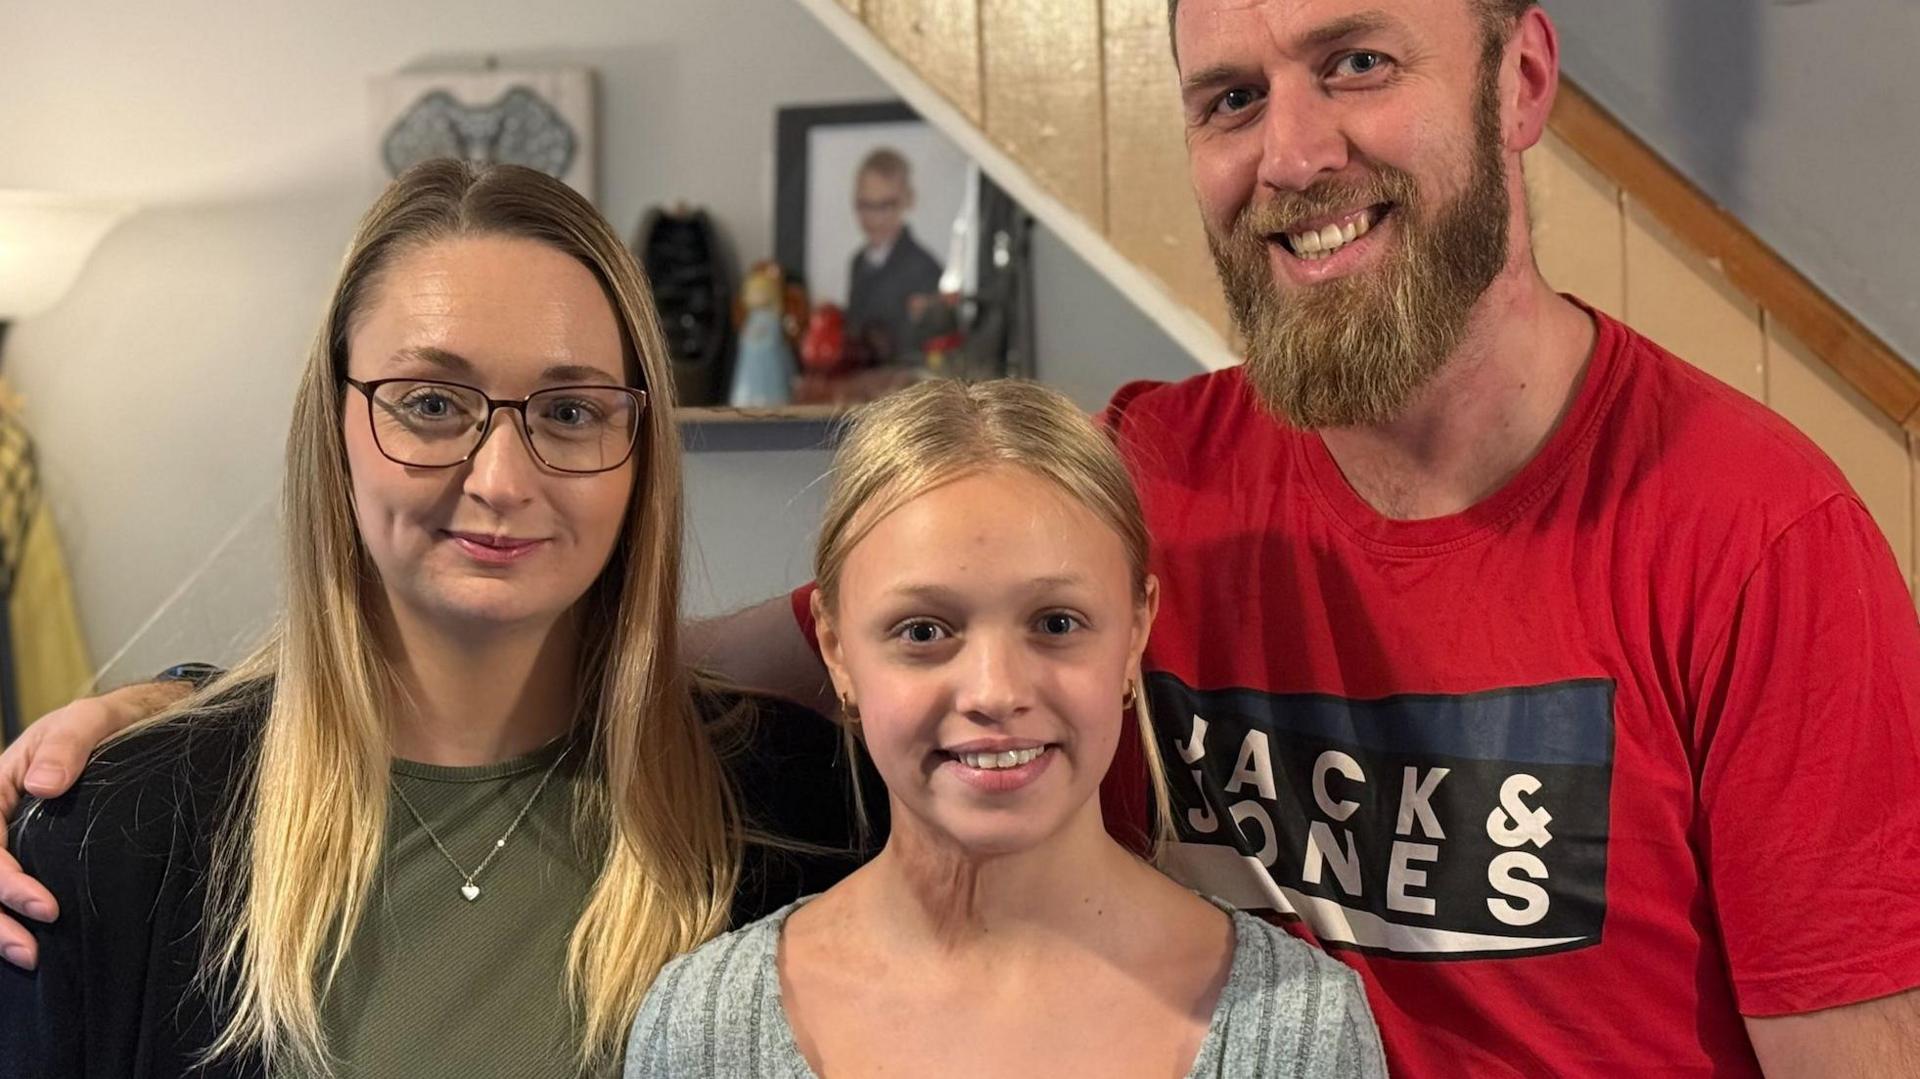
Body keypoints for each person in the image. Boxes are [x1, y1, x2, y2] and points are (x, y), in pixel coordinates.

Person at [11, 1, 1920, 1074]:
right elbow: (711, 630)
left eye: (1360, 60)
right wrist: (207, 711)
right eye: (1231, 97)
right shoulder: (1150, 465)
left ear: (1520, 78)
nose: (1294, 148)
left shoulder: (1756, 534)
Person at [0, 160, 873, 1078]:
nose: (500, 479)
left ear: (639, 451)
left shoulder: (802, 811)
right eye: (429, 404)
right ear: (331, 427)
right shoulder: (116, 830)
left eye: (571, 410)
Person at [626, 378, 1385, 1078]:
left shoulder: (1302, 1031)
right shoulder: (706, 1026)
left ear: (1133, 634)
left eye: (1056, 622)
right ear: (835, 647)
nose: (994, 691)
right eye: (924, 631)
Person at [843, 147, 944, 364]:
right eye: (865, 205)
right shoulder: (858, 263)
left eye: (885, 206)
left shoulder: (923, 267)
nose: (874, 218)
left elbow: (929, 344)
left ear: (907, 200)